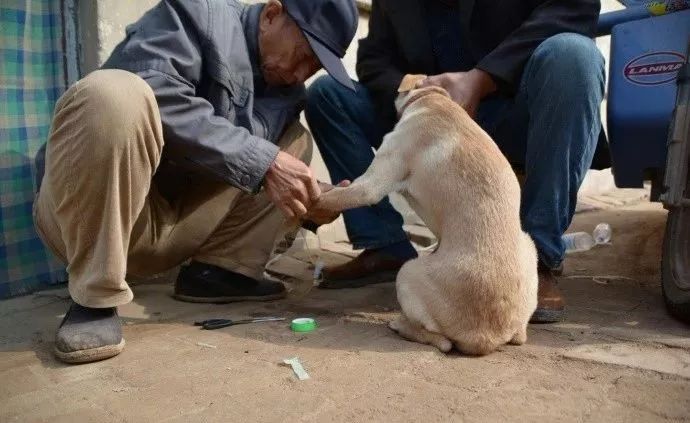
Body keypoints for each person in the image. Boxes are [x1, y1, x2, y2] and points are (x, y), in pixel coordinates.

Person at [34, 0, 357, 364]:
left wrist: (313, 204)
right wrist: (262, 162)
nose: (301, 74)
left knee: (293, 143)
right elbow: (154, 88)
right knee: (112, 95)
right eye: (304, 54)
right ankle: (93, 295)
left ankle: (219, 272)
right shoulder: (194, 12)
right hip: (95, 218)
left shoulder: (285, 89)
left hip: (171, 227)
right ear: (271, 15)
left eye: (314, 68)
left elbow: (255, 165)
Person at [305, 0, 607, 322]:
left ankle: (537, 257)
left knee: (575, 56)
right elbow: (373, 61)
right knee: (329, 95)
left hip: (512, 109)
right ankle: (384, 245)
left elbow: (574, 9)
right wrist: (421, 88)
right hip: (427, 121)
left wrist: (480, 79)